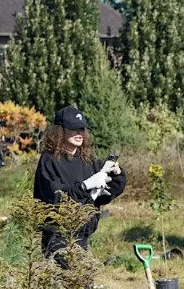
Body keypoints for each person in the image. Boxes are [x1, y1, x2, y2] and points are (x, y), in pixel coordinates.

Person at [33, 105, 126, 263]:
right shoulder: (49, 161)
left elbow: (104, 197)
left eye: (82, 129)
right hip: (58, 238)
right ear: (60, 131)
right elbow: (55, 198)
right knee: (66, 277)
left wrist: (116, 174)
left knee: (85, 277)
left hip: (82, 238)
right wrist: (85, 186)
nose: (79, 133)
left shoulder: (87, 160)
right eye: (74, 129)